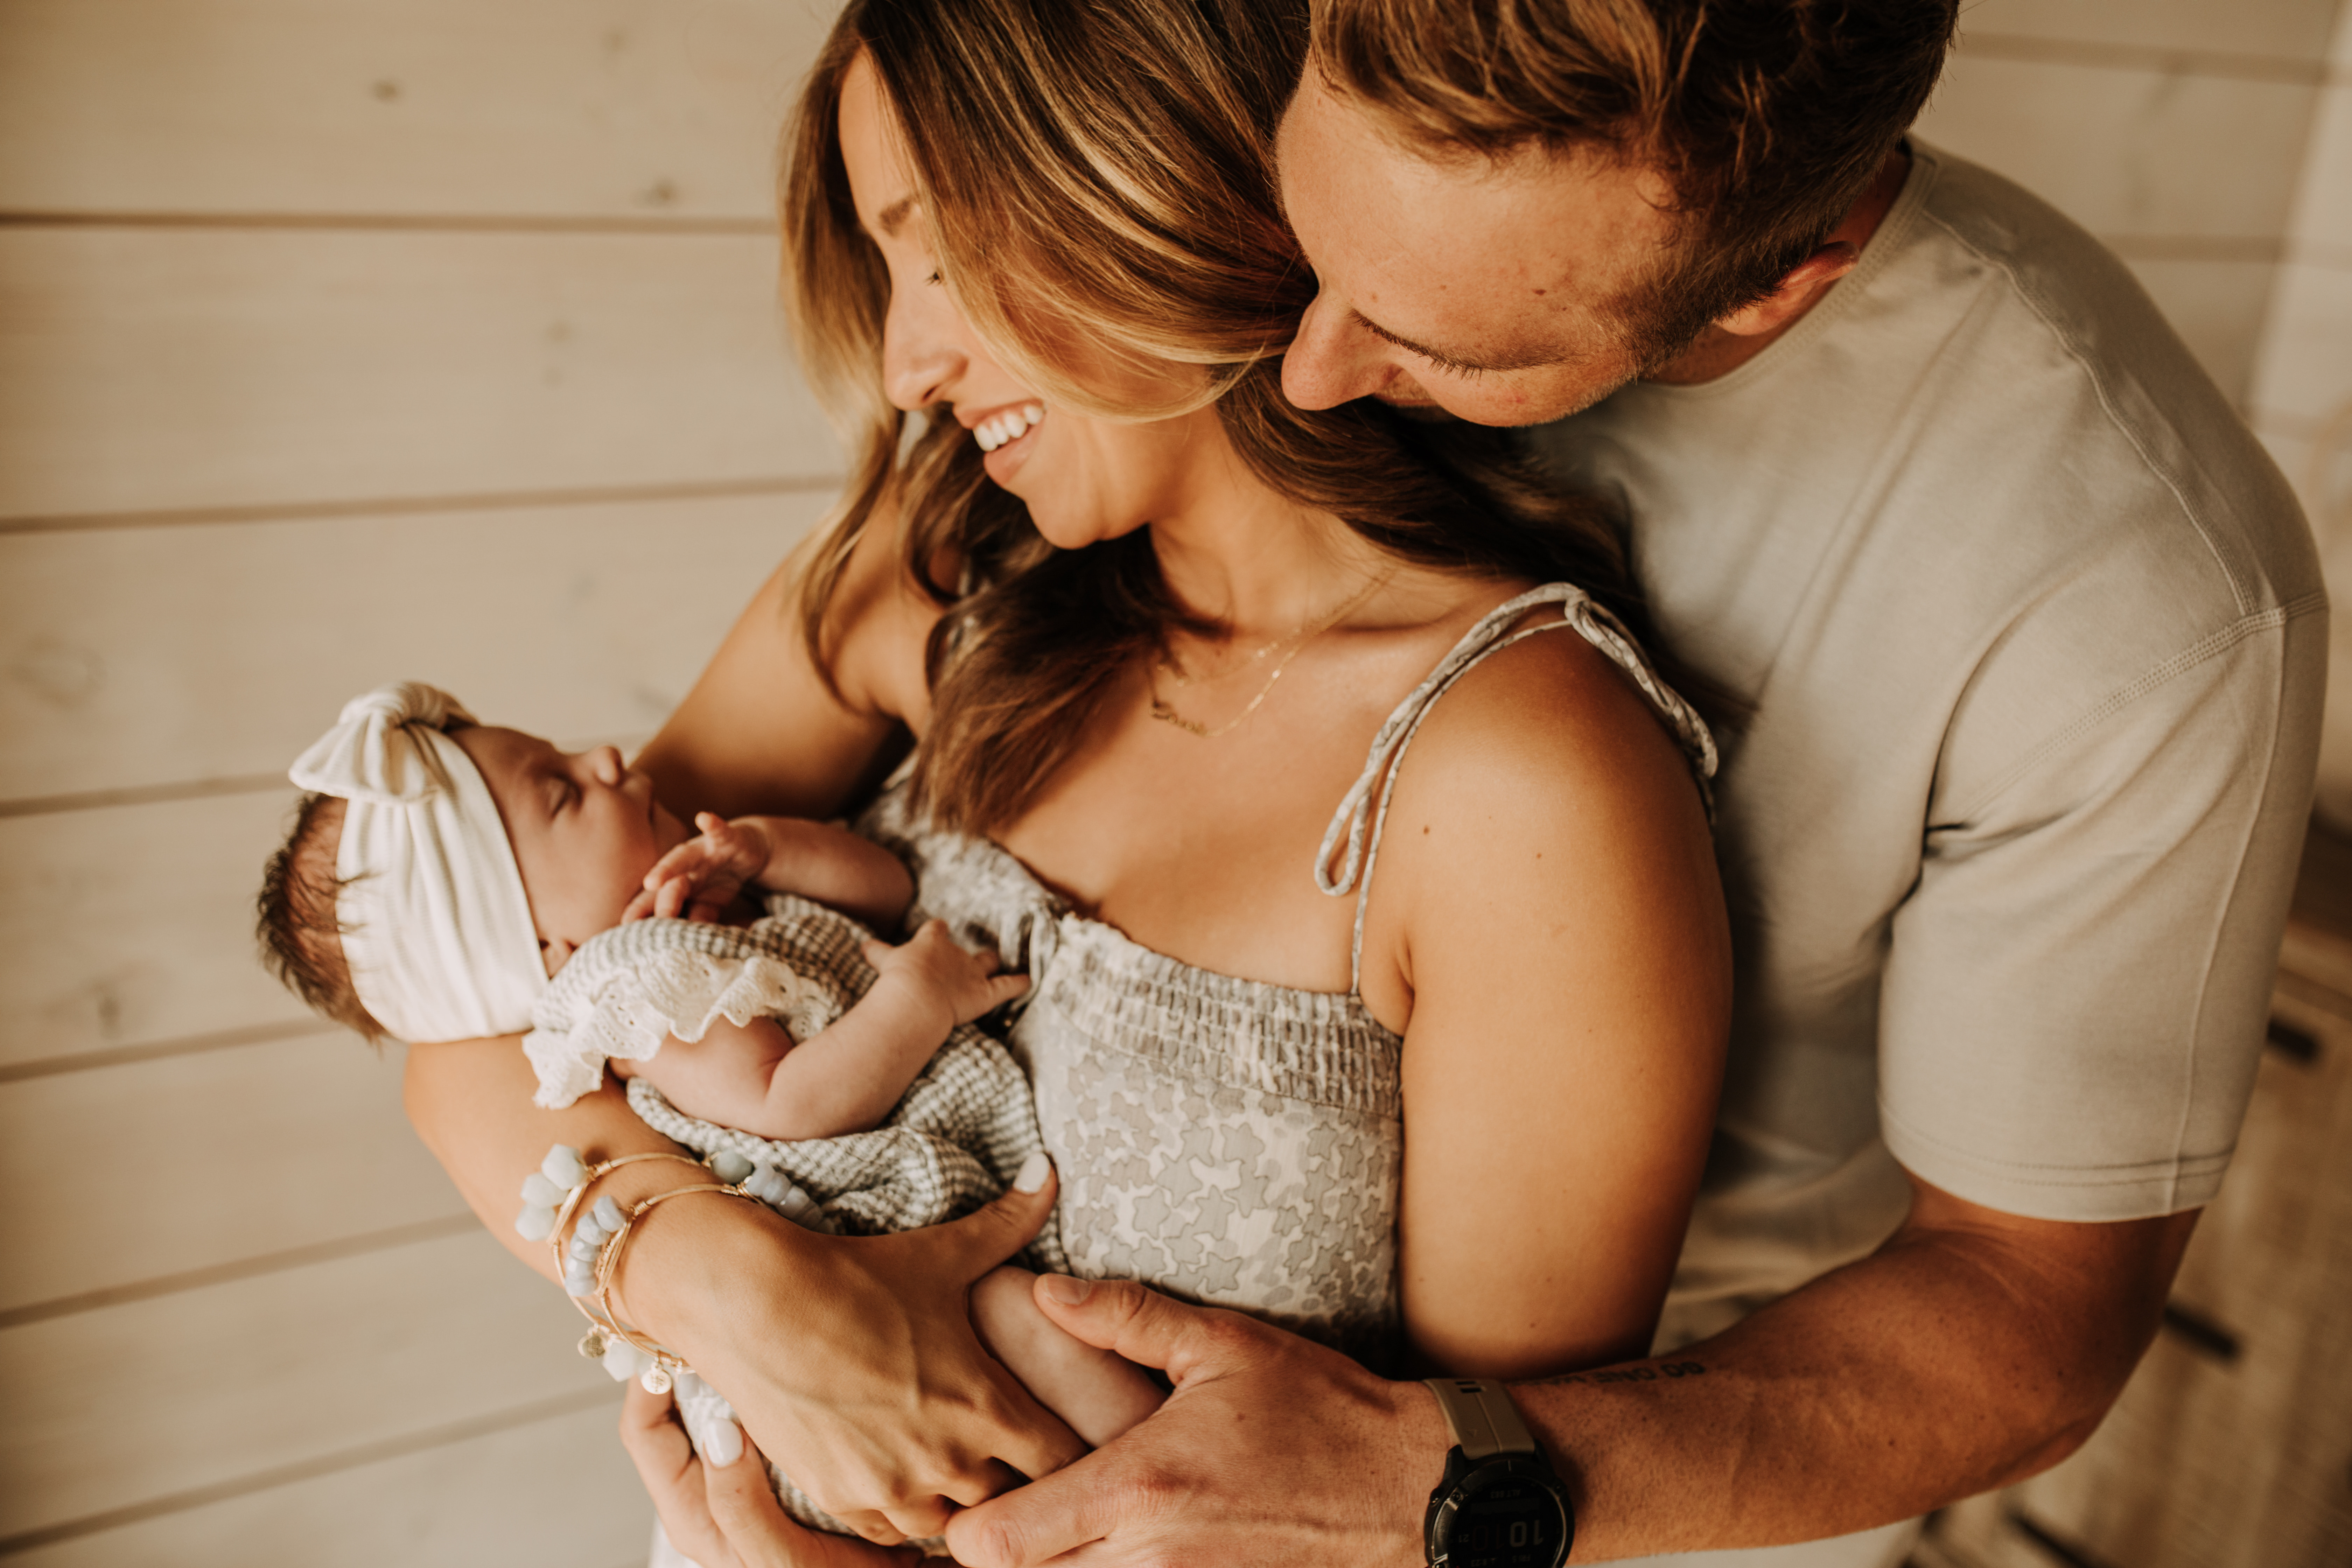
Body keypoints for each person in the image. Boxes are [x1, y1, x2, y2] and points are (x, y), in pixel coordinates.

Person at [872, 2, 2317, 1567]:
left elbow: (2034, 1320)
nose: (1305, 371)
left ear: (1784, 278)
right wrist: (699, 1268)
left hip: (1637, 1471)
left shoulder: (2138, 599)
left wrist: (1436, 1479)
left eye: (1439, 347)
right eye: (1307, 237)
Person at [398, 0, 1730, 1559]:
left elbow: (1455, 1498)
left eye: (937, 249)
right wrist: (735, 1292)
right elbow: (472, 1013)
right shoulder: (948, 576)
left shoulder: (1516, 784)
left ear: (1144, 167)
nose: (903, 364)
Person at [256, 683, 1164, 1492]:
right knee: (1036, 1331)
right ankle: (1156, 1480)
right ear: (544, 954)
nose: (607, 757)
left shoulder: (704, 897)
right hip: (875, 1228)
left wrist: (770, 852)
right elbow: (788, 1101)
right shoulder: (640, 986)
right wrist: (919, 1001)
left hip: (920, 1194)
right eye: (563, 792)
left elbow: (888, 892)